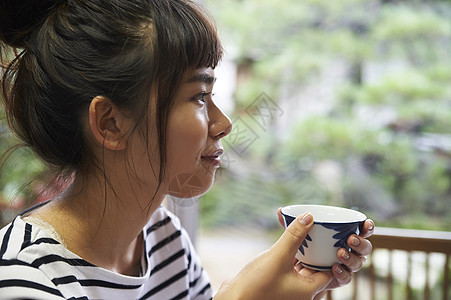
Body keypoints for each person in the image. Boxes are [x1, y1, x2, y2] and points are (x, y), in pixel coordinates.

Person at [0, 0, 374, 299]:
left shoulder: (164, 239)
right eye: (199, 96)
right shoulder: (26, 277)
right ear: (110, 123)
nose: (225, 123)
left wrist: (295, 282)